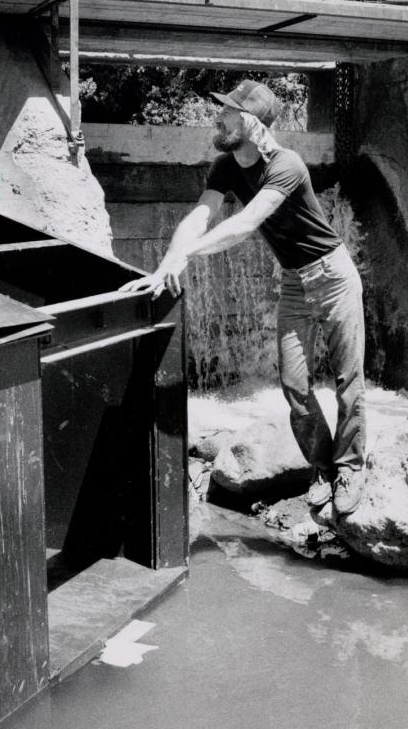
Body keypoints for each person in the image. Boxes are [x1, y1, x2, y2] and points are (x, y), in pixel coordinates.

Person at [121, 79, 367, 518]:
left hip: (333, 276)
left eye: (228, 113)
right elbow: (201, 215)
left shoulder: (287, 165)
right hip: (294, 281)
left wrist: (187, 257)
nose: (219, 118)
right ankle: (322, 468)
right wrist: (166, 264)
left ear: (251, 122)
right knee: (294, 386)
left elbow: (246, 223)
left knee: (348, 381)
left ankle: (350, 469)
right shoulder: (225, 166)